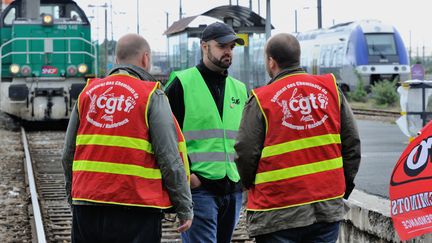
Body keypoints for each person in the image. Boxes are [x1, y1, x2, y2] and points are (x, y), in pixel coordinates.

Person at [61, 33, 193, 243]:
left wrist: (73, 197)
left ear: (116, 60)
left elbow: (68, 153)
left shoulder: (88, 93)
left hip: (87, 205)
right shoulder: (151, 95)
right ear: (145, 59)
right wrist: (184, 206)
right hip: (137, 207)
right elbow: (169, 156)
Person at [234, 33, 361, 243]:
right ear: (298, 57)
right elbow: (352, 145)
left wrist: (250, 186)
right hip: (325, 207)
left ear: (271, 61)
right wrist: (341, 188)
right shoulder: (331, 90)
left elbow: (245, 153)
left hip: (277, 211)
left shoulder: (261, 99)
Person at [165, 22, 247, 243]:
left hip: (232, 188)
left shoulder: (239, 89)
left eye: (231, 46)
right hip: (200, 189)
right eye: (222, 46)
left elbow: (245, 138)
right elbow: (165, 138)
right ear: (204, 46)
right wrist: (187, 177)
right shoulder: (181, 83)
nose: (228, 51)